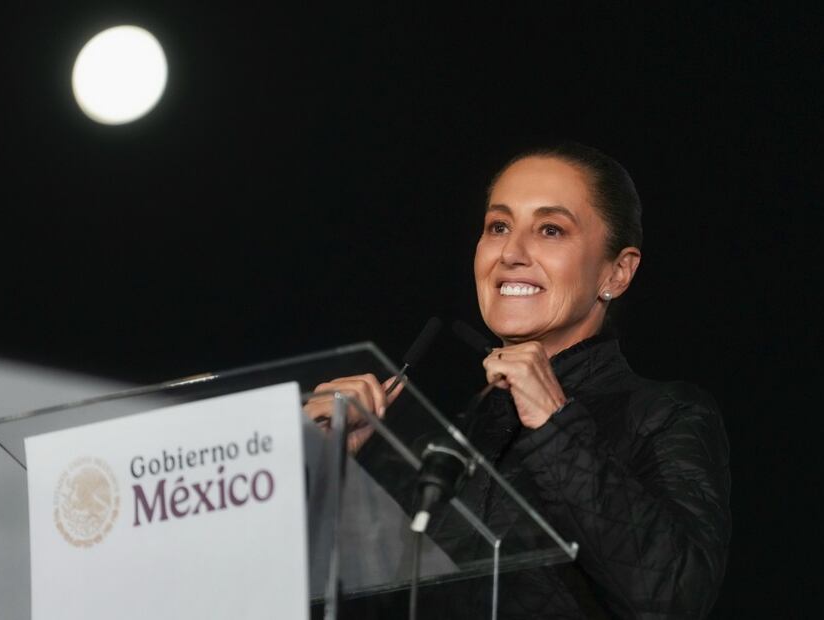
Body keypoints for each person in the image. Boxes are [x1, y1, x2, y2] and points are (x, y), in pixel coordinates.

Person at [306, 142, 731, 619]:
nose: (511, 252)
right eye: (498, 227)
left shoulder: (663, 414)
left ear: (617, 271)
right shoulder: (444, 447)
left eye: (551, 230)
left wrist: (555, 424)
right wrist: (310, 469)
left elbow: (674, 596)